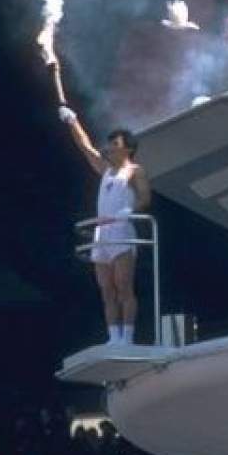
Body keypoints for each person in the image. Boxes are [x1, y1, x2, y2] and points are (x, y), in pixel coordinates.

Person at [52, 60, 151, 344]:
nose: (108, 148)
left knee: (123, 287)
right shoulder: (104, 169)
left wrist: (129, 209)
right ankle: (113, 336)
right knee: (106, 290)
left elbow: (145, 198)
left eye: (114, 144)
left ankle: (128, 337)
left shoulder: (135, 171)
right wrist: (70, 119)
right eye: (108, 144)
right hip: (102, 234)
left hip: (122, 231)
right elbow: (85, 145)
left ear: (128, 149)